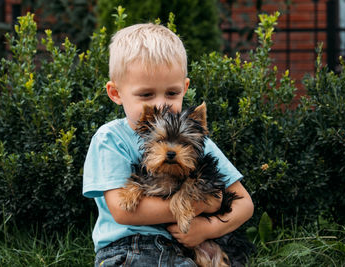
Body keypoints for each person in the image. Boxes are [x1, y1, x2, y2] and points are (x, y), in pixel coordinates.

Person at [83, 23, 254, 266]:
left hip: (183, 249)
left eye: (172, 94)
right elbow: (122, 209)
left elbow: (244, 204)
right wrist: (198, 204)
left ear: (185, 88)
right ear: (115, 93)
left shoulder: (195, 137)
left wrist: (207, 228)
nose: (161, 104)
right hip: (129, 246)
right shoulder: (110, 138)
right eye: (146, 95)